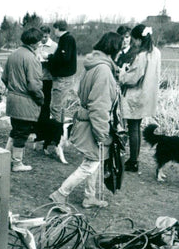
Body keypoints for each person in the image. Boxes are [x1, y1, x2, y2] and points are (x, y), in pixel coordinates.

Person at [49, 32, 123, 209]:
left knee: (94, 162)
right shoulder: (104, 71)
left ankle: (90, 197)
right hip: (93, 124)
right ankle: (61, 194)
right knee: (90, 164)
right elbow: (99, 106)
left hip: (86, 120)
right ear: (115, 50)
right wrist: (102, 134)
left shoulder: (93, 65)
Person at [118, 24, 161, 173]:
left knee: (133, 128)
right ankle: (134, 159)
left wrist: (122, 74)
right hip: (148, 94)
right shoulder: (156, 52)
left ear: (138, 39)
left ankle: (133, 161)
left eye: (133, 40)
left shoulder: (142, 55)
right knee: (137, 127)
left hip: (136, 95)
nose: (132, 43)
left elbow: (133, 78)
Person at [2, 27, 45, 172]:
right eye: (39, 42)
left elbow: (4, 77)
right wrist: (41, 99)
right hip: (25, 102)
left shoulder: (13, 54)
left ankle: (4, 157)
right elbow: (34, 85)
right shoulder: (31, 59)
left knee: (16, 130)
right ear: (34, 43)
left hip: (12, 99)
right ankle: (17, 163)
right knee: (22, 133)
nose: (40, 45)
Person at [44, 20, 77, 159]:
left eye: (55, 29)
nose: (54, 33)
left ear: (58, 29)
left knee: (56, 108)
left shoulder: (66, 40)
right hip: (64, 78)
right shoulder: (66, 39)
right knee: (60, 108)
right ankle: (59, 137)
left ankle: (57, 140)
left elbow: (64, 58)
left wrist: (49, 58)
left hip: (62, 79)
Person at [34, 25, 58, 153]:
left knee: (45, 106)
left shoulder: (54, 46)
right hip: (37, 79)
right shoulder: (37, 45)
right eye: (41, 37)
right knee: (36, 106)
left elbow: (57, 62)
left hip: (48, 79)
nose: (43, 39)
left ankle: (44, 134)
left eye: (45, 36)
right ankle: (37, 133)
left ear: (49, 35)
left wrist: (48, 59)